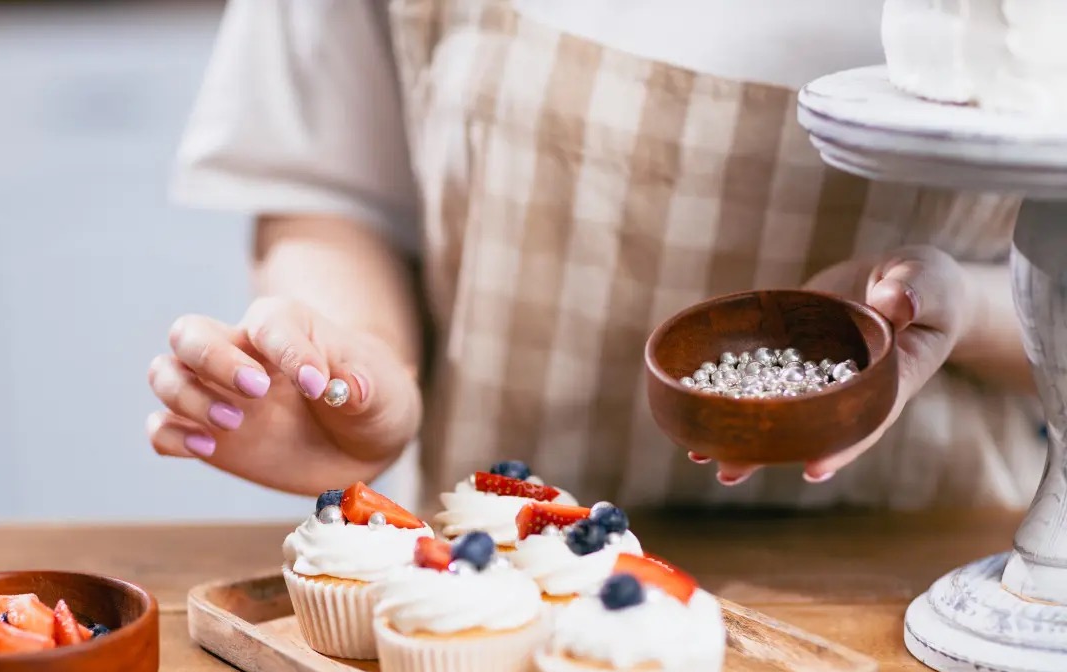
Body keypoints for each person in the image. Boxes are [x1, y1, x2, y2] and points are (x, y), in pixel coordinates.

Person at [147, 0, 1043, 512]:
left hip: (929, 595)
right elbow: (334, 192)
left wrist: (956, 308)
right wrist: (348, 369)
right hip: (489, 580)